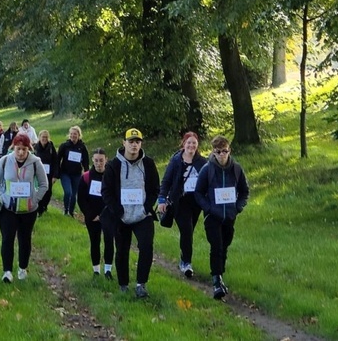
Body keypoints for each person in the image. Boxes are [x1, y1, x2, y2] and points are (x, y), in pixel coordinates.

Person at [101, 128, 159, 299]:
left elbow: (155, 188)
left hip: (142, 215)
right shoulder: (113, 165)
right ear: (124, 143)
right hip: (121, 216)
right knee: (122, 250)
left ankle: (141, 284)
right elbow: (106, 192)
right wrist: (118, 211)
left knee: (146, 247)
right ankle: (123, 284)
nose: (134, 145)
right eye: (131, 141)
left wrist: (147, 208)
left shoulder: (148, 163)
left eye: (137, 142)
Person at [194, 135, 249, 300]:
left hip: (230, 216)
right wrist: (208, 208)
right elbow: (198, 192)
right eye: (218, 152)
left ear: (229, 150)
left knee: (225, 245)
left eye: (225, 151)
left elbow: (244, 191)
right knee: (216, 245)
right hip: (213, 217)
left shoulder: (236, 169)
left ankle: (220, 274)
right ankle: (216, 280)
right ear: (213, 152)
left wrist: (238, 207)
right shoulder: (207, 169)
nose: (222, 155)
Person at [0, 134, 49, 283]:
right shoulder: (5, 161)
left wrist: (35, 199)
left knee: (25, 239)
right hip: (8, 209)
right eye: (18, 149)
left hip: (28, 211)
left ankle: (22, 268)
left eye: (24, 149)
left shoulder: (36, 162)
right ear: (13, 147)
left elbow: (44, 184)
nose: (21, 152)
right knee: (7, 239)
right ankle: (7, 272)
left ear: (29, 148)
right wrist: (2, 196)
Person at [157, 132, 208, 278]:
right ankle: (186, 263)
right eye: (189, 143)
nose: (191, 146)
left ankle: (183, 256)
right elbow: (166, 181)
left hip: (196, 202)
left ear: (197, 145)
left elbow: (208, 181)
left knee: (189, 231)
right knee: (186, 229)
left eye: (194, 143)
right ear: (183, 144)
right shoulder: (176, 160)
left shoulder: (202, 162)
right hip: (180, 201)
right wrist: (162, 199)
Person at [77, 148, 114, 279]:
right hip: (92, 216)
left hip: (109, 215)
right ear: (93, 160)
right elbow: (81, 199)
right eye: (96, 160)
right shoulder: (86, 177)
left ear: (106, 160)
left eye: (101, 160)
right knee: (95, 242)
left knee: (109, 241)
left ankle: (108, 270)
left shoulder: (111, 176)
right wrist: (91, 214)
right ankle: (96, 270)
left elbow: (115, 196)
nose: (99, 163)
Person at [56, 125, 90, 216]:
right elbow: (58, 160)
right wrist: (56, 173)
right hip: (65, 173)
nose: (73, 136)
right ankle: (66, 210)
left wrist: (87, 174)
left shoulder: (82, 147)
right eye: (71, 134)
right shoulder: (64, 146)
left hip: (77, 174)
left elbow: (86, 162)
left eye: (75, 134)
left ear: (79, 135)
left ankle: (71, 212)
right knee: (68, 192)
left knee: (74, 194)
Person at [33, 130, 58, 216]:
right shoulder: (35, 147)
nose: (44, 139)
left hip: (49, 174)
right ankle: (39, 208)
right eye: (43, 137)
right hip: (37, 173)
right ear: (39, 137)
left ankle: (44, 206)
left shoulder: (51, 147)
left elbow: (56, 161)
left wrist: (55, 175)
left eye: (46, 137)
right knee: (39, 190)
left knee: (48, 191)